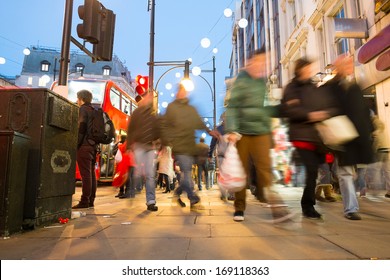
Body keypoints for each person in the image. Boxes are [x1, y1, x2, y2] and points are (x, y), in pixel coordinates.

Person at [225, 49, 283, 222]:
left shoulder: (262, 82)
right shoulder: (241, 81)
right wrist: (233, 130)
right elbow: (233, 106)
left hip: (261, 131)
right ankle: (239, 208)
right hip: (242, 132)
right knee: (241, 172)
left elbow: (265, 107)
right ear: (249, 63)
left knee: (265, 169)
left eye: (264, 62)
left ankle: (276, 207)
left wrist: (280, 109)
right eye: (258, 62)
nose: (261, 66)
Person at [320, 54, 375, 220]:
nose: (349, 66)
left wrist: (370, 130)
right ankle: (350, 208)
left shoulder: (354, 86)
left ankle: (351, 205)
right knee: (345, 173)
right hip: (341, 136)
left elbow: (363, 111)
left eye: (350, 63)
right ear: (338, 66)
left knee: (353, 173)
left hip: (357, 138)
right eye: (346, 63)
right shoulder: (330, 87)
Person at [281, 58, 333, 219]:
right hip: (300, 135)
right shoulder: (292, 87)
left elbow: (321, 105)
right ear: (299, 69)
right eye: (306, 68)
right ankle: (308, 205)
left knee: (316, 170)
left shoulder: (312, 86)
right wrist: (310, 114)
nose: (309, 71)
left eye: (310, 68)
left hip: (315, 136)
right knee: (312, 169)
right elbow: (289, 110)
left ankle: (310, 200)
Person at [160, 83, 219, 208]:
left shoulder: (191, 109)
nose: (183, 93)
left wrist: (209, 131)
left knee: (186, 173)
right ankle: (192, 197)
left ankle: (177, 193)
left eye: (185, 91)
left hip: (190, 146)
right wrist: (167, 140)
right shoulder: (172, 107)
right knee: (186, 172)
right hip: (179, 146)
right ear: (177, 93)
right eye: (181, 91)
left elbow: (199, 122)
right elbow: (164, 125)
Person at [126, 91, 160, 211]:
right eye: (149, 97)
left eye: (152, 98)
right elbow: (130, 129)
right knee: (138, 172)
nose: (150, 100)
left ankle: (151, 201)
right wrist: (129, 146)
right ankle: (132, 191)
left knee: (150, 175)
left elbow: (158, 130)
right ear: (144, 99)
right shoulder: (136, 113)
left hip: (150, 147)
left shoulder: (153, 115)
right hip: (139, 146)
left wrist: (159, 141)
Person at [73, 90, 98, 209]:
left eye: (77, 98)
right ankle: (91, 200)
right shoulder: (93, 110)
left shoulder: (83, 109)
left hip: (84, 146)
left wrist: (76, 144)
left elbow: (81, 127)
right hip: (93, 146)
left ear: (81, 98)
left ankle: (84, 201)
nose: (77, 101)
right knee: (91, 174)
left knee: (86, 175)